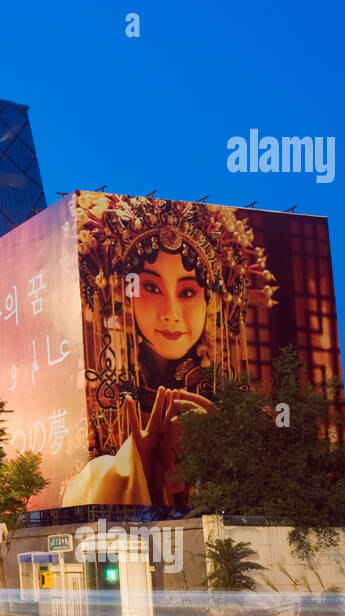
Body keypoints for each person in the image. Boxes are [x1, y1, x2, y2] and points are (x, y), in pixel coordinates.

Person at [61, 193, 276, 507]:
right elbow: (74, 505)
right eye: (150, 288)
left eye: (188, 291)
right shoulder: (95, 405)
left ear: (211, 302)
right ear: (124, 295)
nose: (171, 312)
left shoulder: (242, 409)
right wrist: (135, 466)